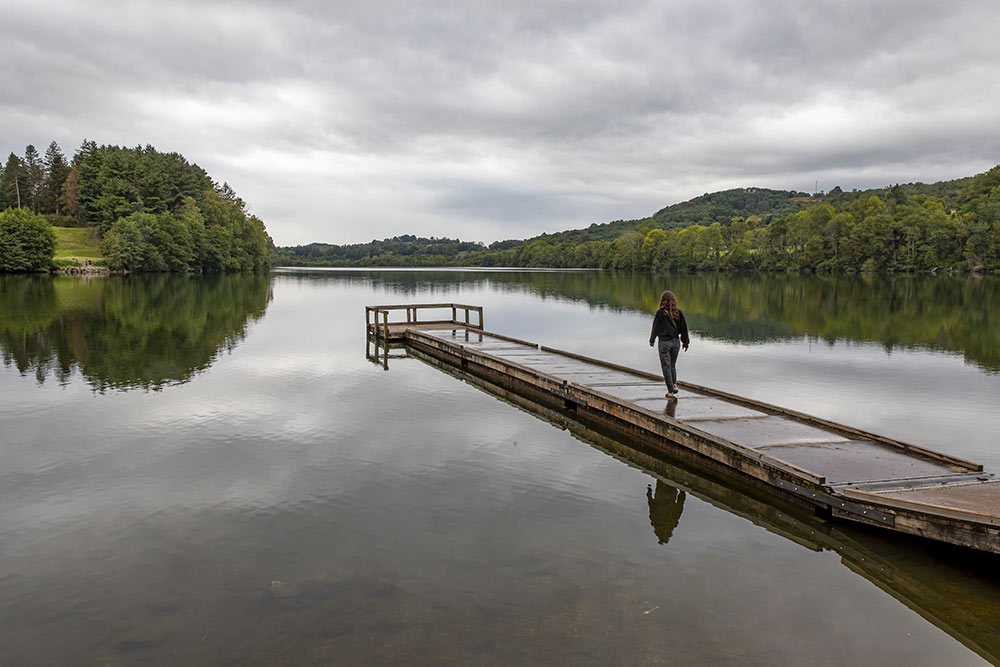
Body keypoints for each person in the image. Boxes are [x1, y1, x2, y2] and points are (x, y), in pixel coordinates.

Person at [648, 290, 689, 398]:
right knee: (672, 365)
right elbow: (684, 329)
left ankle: (670, 391)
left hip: (664, 343)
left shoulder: (660, 313)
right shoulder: (678, 313)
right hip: (676, 343)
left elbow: (655, 327)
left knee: (666, 367)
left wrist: (652, 340)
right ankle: (674, 384)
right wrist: (685, 343)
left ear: (662, 301)